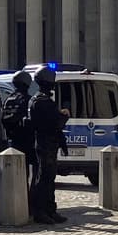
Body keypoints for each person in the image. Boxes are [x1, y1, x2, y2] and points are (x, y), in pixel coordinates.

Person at [29, 66, 70, 224]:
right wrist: (64, 115)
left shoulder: (38, 100)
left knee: (49, 179)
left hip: (47, 143)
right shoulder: (43, 101)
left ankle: (50, 210)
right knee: (44, 179)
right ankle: (41, 211)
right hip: (45, 144)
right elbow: (55, 123)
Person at [1, 70, 36, 213]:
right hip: (28, 141)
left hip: (13, 140)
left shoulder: (8, 99)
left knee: (17, 176)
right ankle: (30, 204)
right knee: (33, 173)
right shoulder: (27, 99)